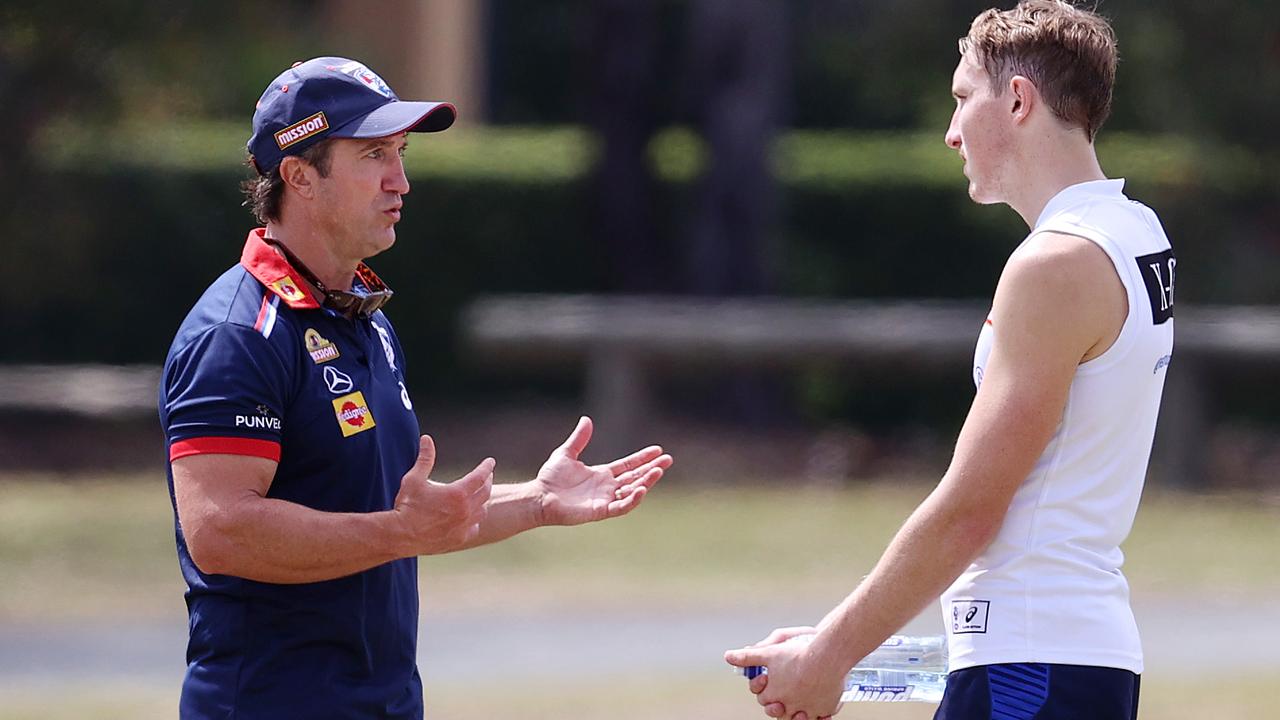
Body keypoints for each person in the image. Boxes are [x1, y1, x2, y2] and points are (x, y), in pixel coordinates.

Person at [158, 57, 673, 720]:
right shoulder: (238, 333)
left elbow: (399, 519)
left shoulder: (365, 318)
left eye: (399, 152)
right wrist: (400, 532)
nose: (400, 180)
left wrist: (536, 502)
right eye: (373, 154)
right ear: (298, 176)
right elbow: (222, 533)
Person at [725, 2, 1174, 719]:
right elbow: (1046, 526)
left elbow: (972, 511)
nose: (950, 130)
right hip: (1064, 658)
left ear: (1019, 100)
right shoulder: (1133, 231)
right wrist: (852, 650)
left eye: (964, 98)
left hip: (1034, 665)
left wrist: (830, 655)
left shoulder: (1054, 264)